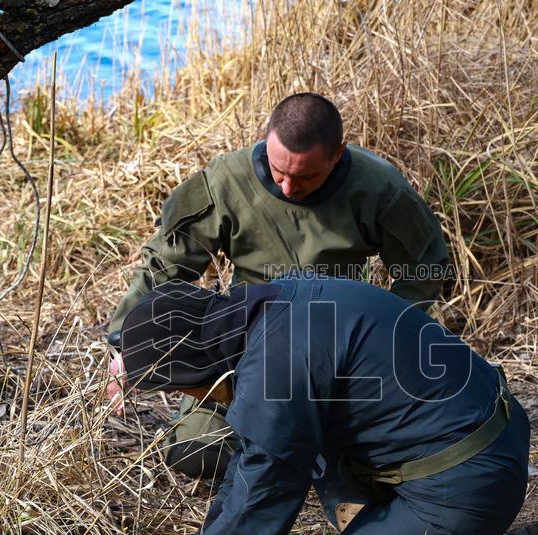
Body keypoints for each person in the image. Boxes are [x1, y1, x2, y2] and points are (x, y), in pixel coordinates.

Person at [114, 277, 538, 535]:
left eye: (177, 388)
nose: (186, 399)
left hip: (462, 480)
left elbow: (262, 505)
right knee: (313, 450)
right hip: (480, 430)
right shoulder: (271, 307)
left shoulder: (273, 371)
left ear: (194, 367)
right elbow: (254, 453)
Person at [106, 92, 450, 480]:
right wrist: (127, 345)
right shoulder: (226, 181)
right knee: (195, 452)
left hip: (336, 353)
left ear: (337, 155)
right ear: (267, 139)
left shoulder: (378, 187)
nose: (287, 187)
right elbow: (165, 266)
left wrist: (383, 336)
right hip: (240, 348)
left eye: (304, 177)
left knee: (389, 452)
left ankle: (305, 450)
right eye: (277, 170)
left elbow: (425, 268)